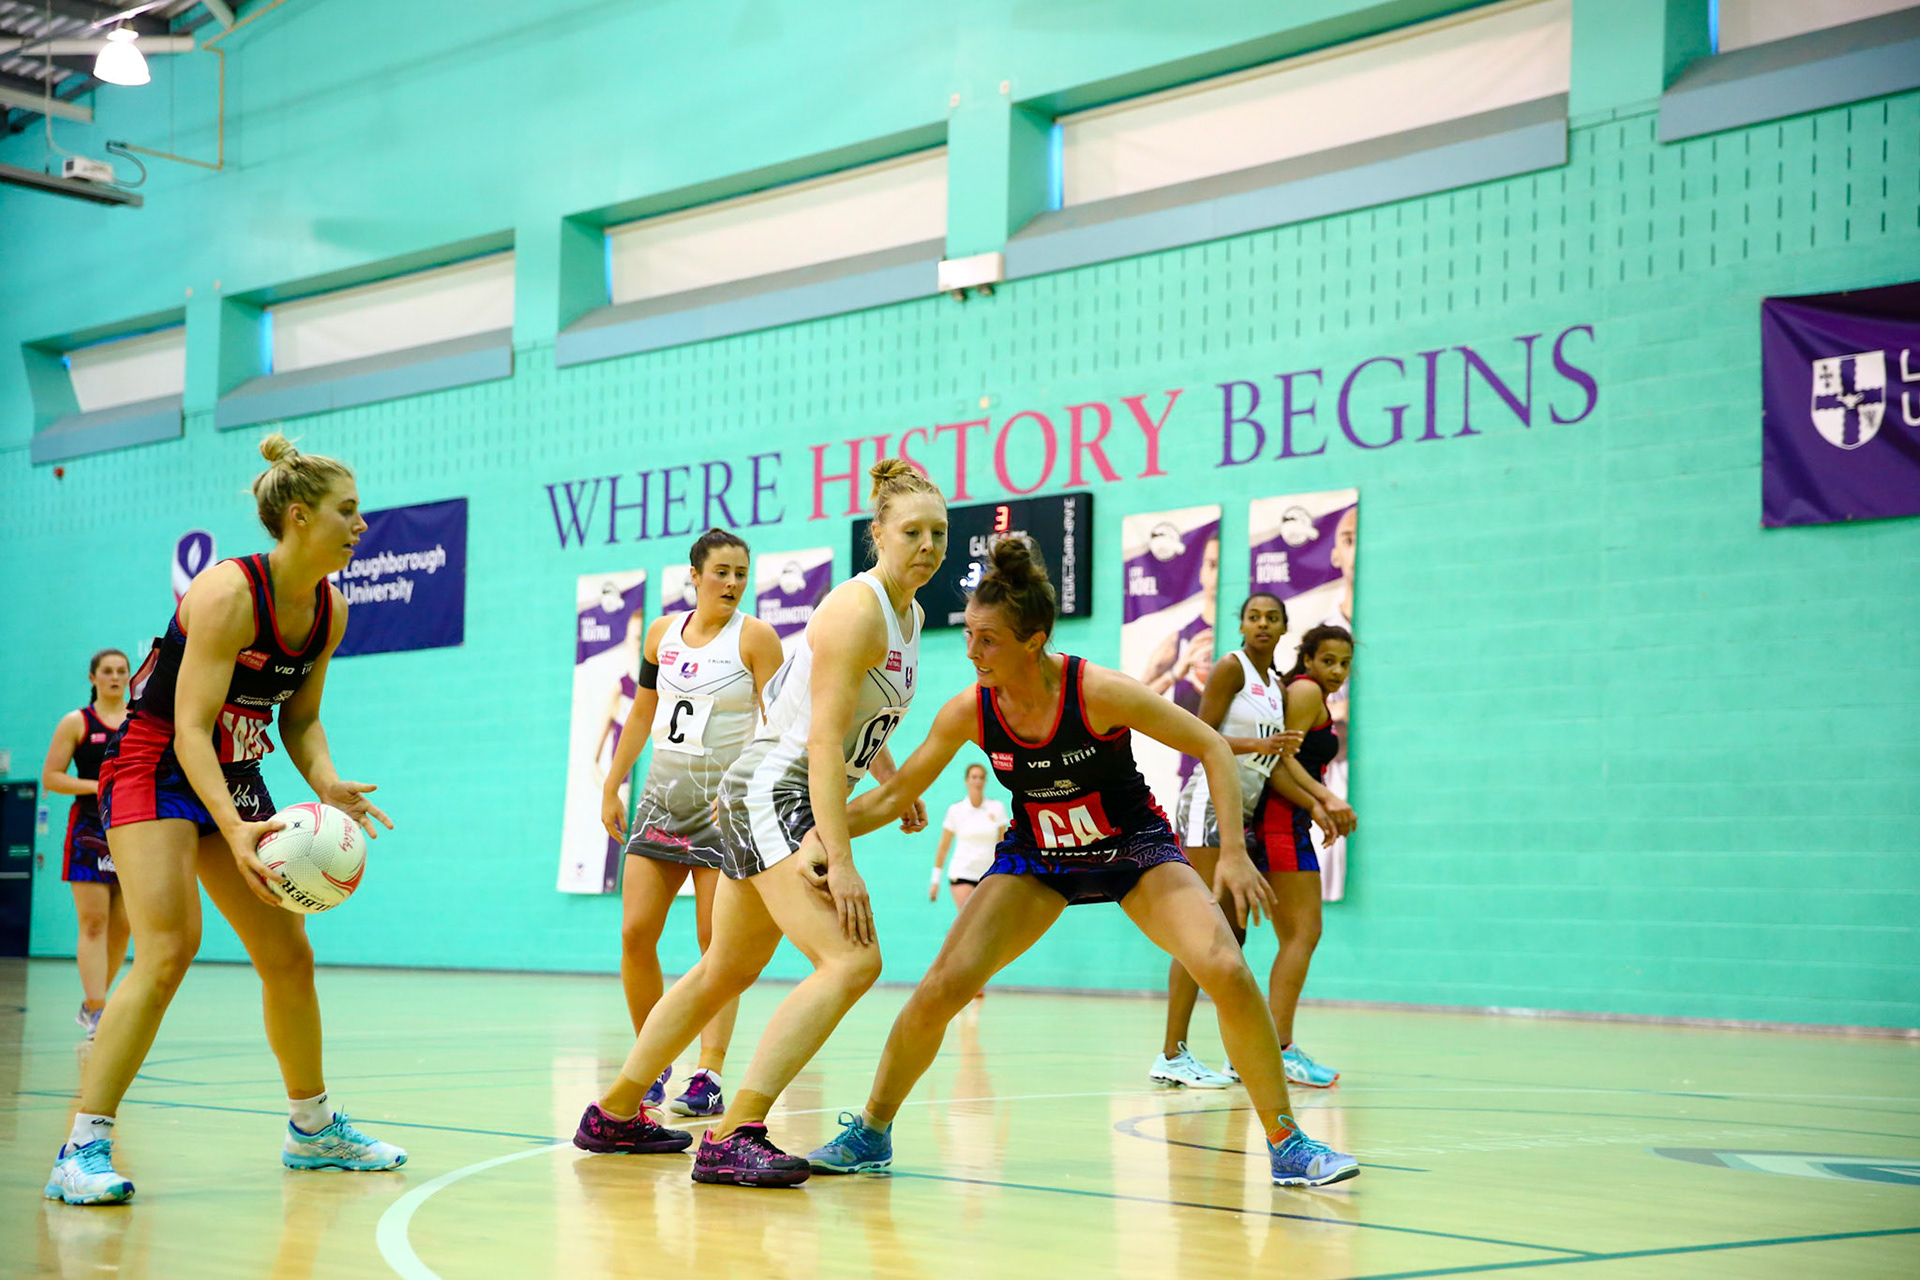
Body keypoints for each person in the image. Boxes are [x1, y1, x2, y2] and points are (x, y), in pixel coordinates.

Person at [805, 539, 1358, 1188]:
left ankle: (1288, 1142)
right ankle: (871, 1132)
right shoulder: (973, 710)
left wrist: (1233, 853)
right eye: (970, 635)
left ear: (1034, 641)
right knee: (939, 989)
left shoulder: (1096, 691)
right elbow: (895, 795)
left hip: (1133, 851)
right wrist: (821, 836)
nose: (972, 651)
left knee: (1227, 970)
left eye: (988, 640)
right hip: (1039, 859)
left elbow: (1210, 744)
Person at [45, 433, 403, 1207]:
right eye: (347, 511)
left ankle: (313, 1130)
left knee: (288, 954)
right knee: (170, 946)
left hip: (233, 770)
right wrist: (232, 827)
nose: (360, 524)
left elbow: (300, 719)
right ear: (299, 516)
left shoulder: (330, 610)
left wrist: (327, 783)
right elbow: (188, 727)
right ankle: (81, 1147)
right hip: (154, 764)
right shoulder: (227, 594)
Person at [573, 459, 942, 1188]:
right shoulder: (856, 608)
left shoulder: (911, 616)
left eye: (938, 532)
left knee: (727, 968)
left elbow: (846, 721)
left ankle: (614, 1113)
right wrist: (840, 858)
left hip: (773, 788)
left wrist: (890, 780)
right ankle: (736, 1132)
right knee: (852, 961)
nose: (928, 545)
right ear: (877, 534)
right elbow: (820, 740)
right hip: (779, 788)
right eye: (912, 532)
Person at [597, 528, 784, 1118]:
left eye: (741, 573)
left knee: (716, 947)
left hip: (721, 812)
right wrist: (613, 783)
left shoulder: (756, 638)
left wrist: (750, 787)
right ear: (695, 576)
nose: (732, 583)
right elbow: (642, 712)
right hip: (660, 803)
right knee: (635, 935)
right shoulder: (661, 634)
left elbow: (781, 724)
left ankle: (709, 1074)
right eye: (721, 572)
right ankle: (651, 1062)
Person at [1153, 592, 1303, 1088]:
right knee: (1205, 928)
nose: (1262, 624)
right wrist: (1258, 743)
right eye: (1253, 617)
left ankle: (1236, 1055)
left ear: (1284, 628)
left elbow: (1272, 764)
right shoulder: (1230, 668)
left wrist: (1320, 802)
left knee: (1232, 936)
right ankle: (1171, 1054)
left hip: (1242, 814)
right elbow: (1200, 735)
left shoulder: (1276, 686)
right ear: (1241, 625)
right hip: (1207, 803)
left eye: (1272, 618)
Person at [1257, 623, 1357, 1088]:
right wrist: (1325, 799)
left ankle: (1263, 1050)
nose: (1337, 671)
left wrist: (1316, 806)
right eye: (1328, 661)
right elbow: (1279, 762)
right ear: (1310, 659)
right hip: (1278, 822)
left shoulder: (1311, 693)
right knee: (1304, 933)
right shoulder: (1306, 690)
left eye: (1345, 663)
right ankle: (1277, 1050)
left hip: (1291, 819)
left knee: (1297, 936)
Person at [40, 649, 133, 1038]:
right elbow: (52, 777)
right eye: (107, 671)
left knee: (124, 925)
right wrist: (98, 786)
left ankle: (95, 1001)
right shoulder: (76, 722)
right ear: (93, 678)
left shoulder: (139, 720)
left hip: (131, 829)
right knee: (94, 922)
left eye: (122, 671)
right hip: (89, 831)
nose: (115, 677)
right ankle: (97, 1008)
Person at [931, 763, 1008, 913]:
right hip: (962, 873)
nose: (977, 781)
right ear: (967, 780)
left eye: (981, 777)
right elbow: (944, 846)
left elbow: (1003, 844)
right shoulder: (956, 810)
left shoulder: (996, 808)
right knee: (968, 916)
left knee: (987, 918)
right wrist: (935, 880)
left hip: (988, 875)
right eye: (974, 777)